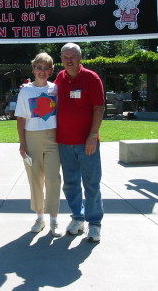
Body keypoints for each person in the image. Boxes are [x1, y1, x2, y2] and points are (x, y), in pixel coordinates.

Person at [54, 43, 105, 243]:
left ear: (80, 57)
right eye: (65, 57)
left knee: (91, 183)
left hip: (87, 143)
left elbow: (99, 108)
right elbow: (47, 96)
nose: (69, 60)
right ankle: (78, 218)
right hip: (64, 142)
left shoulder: (91, 78)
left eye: (72, 57)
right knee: (70, 184)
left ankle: (94, 224)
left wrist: (93, 134)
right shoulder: (60, 78)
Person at [14, 52, 62, 237]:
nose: (42, 71)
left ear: (51, 70)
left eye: (46, 68)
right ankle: (39, 218)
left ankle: (54, 220)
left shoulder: (56, 89)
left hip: (53, 139)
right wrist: (22, 143)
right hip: (31, 138)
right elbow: (20, 118)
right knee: (35, 179)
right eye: (38, 67)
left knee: (53, 179)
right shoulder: (25, 91)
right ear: (33, 68)